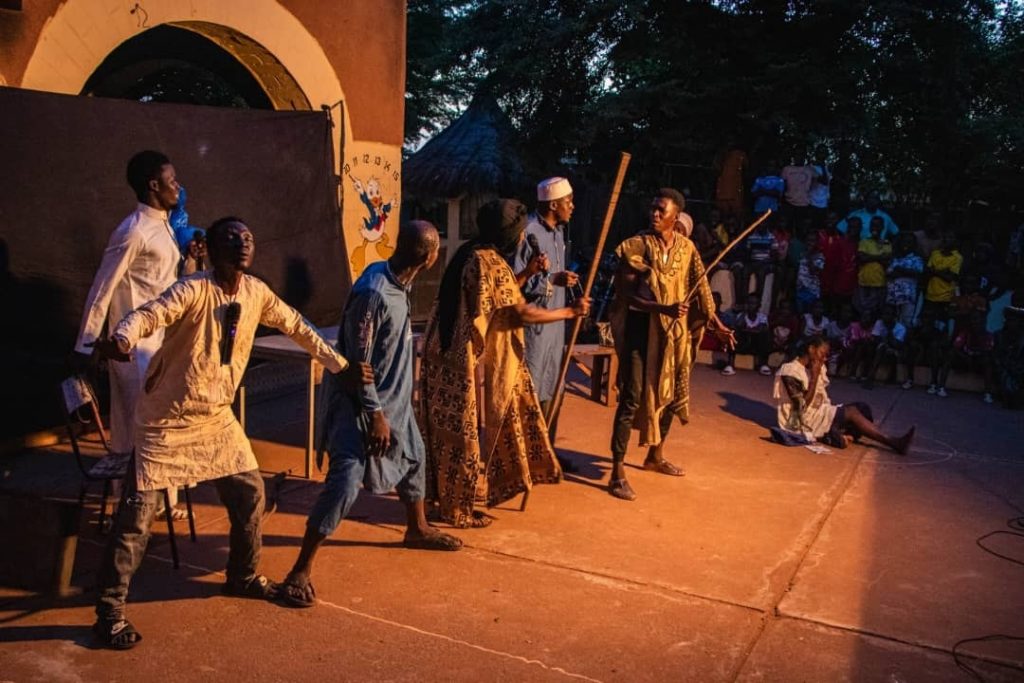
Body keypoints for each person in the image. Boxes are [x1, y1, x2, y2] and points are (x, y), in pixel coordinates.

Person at [87, 217, 372, 649]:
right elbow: (150, 313)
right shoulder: (193, 288)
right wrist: (123, 339)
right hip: (166, 419)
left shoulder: (256, 292)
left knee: (250, 493)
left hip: (215, 416)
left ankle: (242, 576)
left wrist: (342, 367)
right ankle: (109, 612)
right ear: (213, 249)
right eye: (231, 238)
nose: (242, 243)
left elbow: (297, 326)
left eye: (248, 237)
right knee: (137, 520)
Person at [277, 221, 460, 609]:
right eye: (435, 251)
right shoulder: (374, 292)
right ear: (428, 259)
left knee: (415, 458)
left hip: (395, 401)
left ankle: (417, 528)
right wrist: (375, 413)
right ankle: (300, 568)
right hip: (361, 406)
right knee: (345, 482)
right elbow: (358, 362)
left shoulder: (398, 279)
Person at [421, 199, 589, 528]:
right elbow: (517, 312)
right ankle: (458, 509)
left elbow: (499, 296)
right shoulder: (488, 262)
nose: (524, 238)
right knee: (463, 436)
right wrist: (568, 312)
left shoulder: (470, 253)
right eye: (521, 233)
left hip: (439, 353)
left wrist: (528, 273)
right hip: (459, 359)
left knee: (441, 435)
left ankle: (440, 500)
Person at [73, 150, 202, 522]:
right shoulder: (132, 231)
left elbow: (168, 283)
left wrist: (189, 254)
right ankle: (130, 503)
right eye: (171, 180)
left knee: (156, 424)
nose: (178, 186)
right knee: (135, 425)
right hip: (131, 346)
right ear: (153, 185)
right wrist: (85, 344)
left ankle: (161, 498)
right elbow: (103, 287)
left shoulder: (164, 226)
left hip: (160, 342)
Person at [608, 188, 734, 501]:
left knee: (670, 393)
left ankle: (655, 455)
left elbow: (701, 288)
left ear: (675, 216)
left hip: (673, 336)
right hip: (641, 329)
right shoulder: (636, 246)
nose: (654, 214)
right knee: (632, 396)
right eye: (652, 208)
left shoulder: (688, 249)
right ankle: (617, 471)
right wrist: (661, 308)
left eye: (660, 210)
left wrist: (717, 324)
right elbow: (626, 296)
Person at [510, 177, 580, 445]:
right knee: (532, 387)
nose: (572, 206)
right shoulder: (527, 232)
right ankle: (526, 453)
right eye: (567, 202)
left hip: (556, 325)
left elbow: (552, 275)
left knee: (554, 384)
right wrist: (550, 281)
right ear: (553, 204)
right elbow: (515, 282)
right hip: (535, 326)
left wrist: (562, 278)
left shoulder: (558, 233)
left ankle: (547, 451)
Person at [772, 336, 915, 453]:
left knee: (863, 408)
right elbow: (801, 406)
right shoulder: (790, 370)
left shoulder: (817, 367)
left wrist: (834, 411)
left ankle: (840, 435)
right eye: (823, 354)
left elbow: (822, 399)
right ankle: (893, 442)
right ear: (811, 349)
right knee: (852, 413)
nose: (825, 359)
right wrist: (814, 377)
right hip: (800, 420)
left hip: (819, 412)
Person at [723, 294, 772, 377]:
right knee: (734, 334)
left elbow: (761, 329)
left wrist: (746, 329)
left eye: (753, 303)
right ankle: (730, 365)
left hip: (756, 346)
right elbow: (738, 327)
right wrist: (744, 313)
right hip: (743, 345)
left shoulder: (762, 317)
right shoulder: (741, 316)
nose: (751, 306)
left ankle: (764, 364)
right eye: (749, 303)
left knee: (765, 335)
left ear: (759, 305)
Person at [853, 216, 892, 318]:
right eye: (872, 225)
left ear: (882, 227)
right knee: (862, 312)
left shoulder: (886, 243)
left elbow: (887, 261)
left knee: (876, 312)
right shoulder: (864, 241)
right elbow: (862, 258)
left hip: (879, 283)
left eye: (877, 225)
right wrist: (879, 257)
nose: (875, 227)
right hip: (864, 282)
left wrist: (869, 256)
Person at [886, 232, 925, 327]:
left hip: (908, 296)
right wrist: (906, 271)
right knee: (892, 320)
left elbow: (918, 273)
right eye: (904, 242)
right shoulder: (895, 259)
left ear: (914, 244)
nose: (906, 244)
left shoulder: (917, 259)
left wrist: (900, 269)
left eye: (909, 242)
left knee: (906, 320)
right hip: (893, 295)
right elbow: (889, 273)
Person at [863, 305, 907, 389]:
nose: (886, 317)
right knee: (873, 347)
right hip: (881, 348)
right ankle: (867, 375)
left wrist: (889, 333)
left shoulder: (901, 328)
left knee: (883, 348)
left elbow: (897, 345)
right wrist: (884, 342)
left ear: (894, 316)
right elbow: (875, 339)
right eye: (884, 314)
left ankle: (871, 377)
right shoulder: (879, 323)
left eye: (889, 314)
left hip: (895, 352)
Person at [922, 231, 962, 320]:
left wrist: (935, 271)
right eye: (945, 237)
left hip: (946, 297)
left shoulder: (958, 257)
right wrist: (943, 271)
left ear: (955, 241)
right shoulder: (935, 253)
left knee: (942, 323)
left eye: (950, 237)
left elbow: (950, 277)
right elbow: (927, 271)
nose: (947, 239)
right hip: (930, 295)